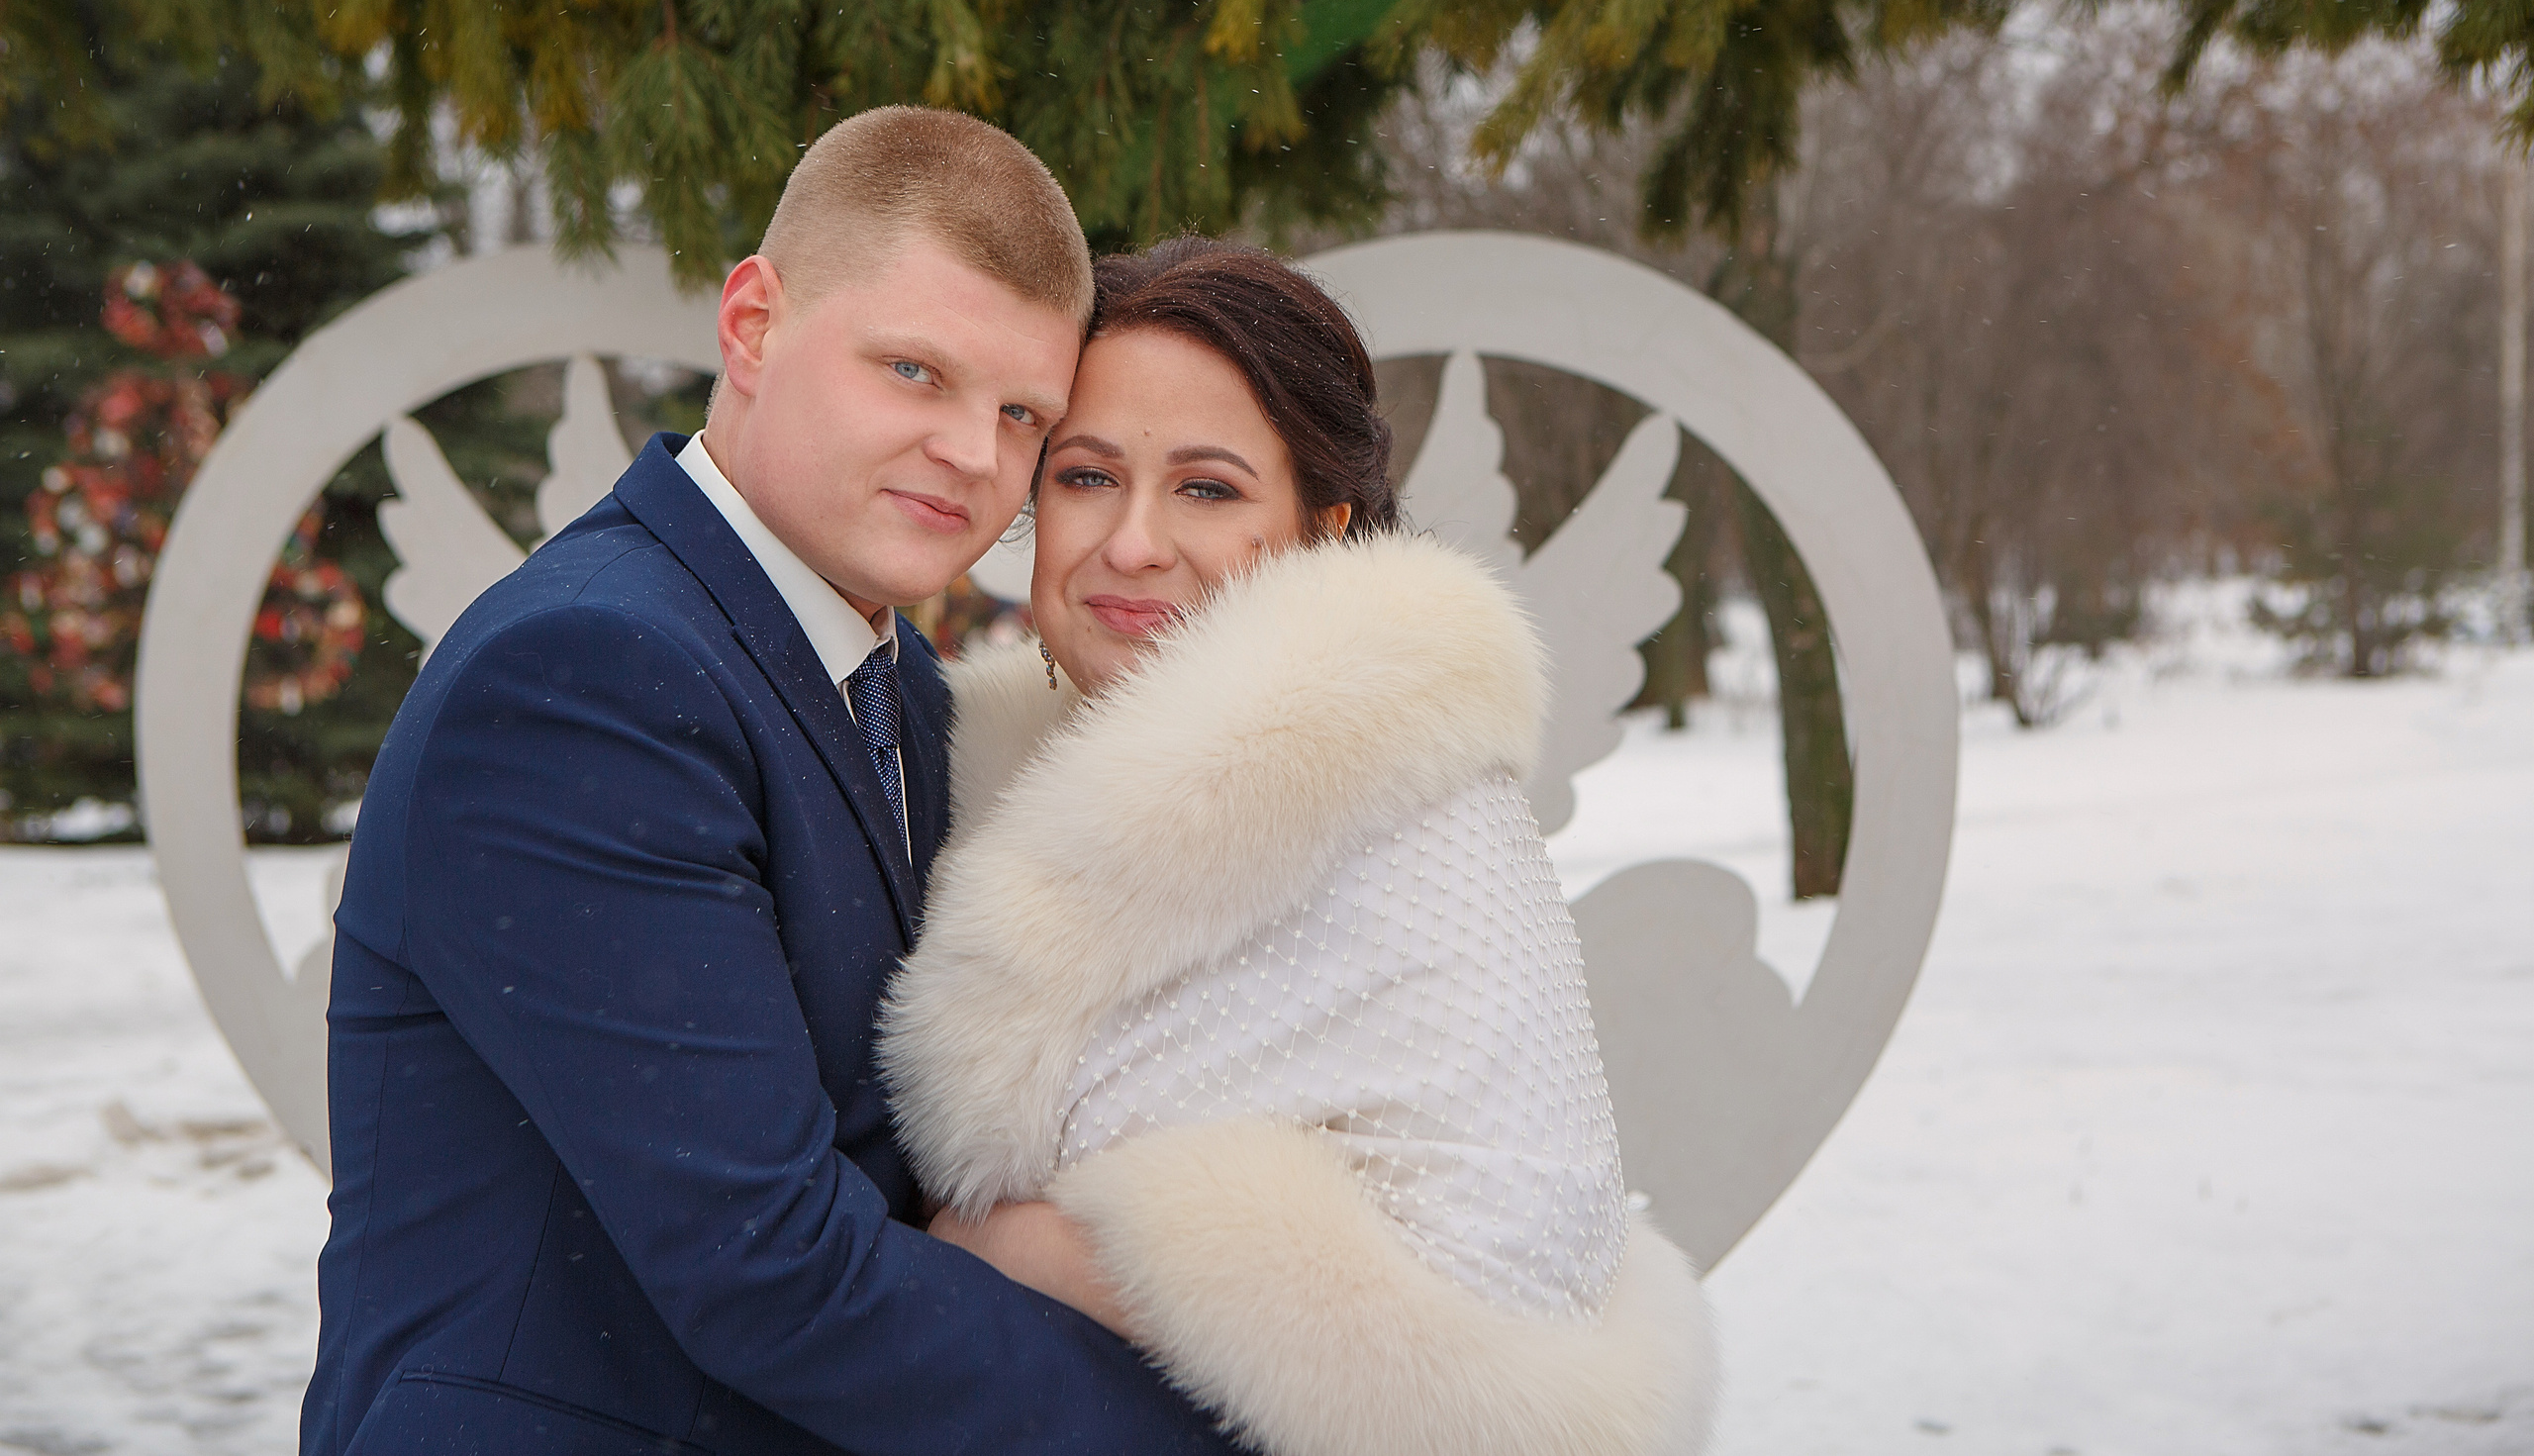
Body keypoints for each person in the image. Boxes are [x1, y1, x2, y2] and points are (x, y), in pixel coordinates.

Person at [303, 110, 1246, 1455]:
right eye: (914, 370)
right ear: (752, 324)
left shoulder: (904, 694)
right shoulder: (588, 675)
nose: (973, 452)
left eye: (1021, 413)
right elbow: (769, 1264)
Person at [881, 238, 1717, 1456]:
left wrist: (1026, 1251)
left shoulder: (1401, 797)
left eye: (1207, 490)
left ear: (1322, 528)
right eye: (1086, 475)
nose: (1131, 542)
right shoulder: (978, 770)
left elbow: (1508, 1286)